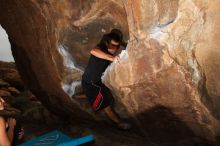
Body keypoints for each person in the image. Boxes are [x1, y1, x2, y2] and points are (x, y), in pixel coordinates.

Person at [82, 29, 131, 130]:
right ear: (106, 43)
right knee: (105, 104)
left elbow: (124, 45)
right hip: (91, 83)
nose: (115, 48)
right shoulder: (101, 48)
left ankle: (85, 94)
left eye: (117, 46)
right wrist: (112, 58)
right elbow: (93, 51)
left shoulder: (111, 49)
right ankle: (119, 123)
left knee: (106, 93)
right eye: (112, 46)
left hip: (96, 81)